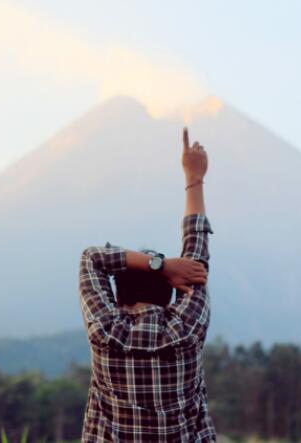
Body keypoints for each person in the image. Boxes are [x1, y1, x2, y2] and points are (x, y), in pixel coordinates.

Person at [78, 127, 216, 441]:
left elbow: (92, 257)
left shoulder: (106, 332)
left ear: (117, 295)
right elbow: (197, 257)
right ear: (171, 292)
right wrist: (194, 177)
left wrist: (161, 265)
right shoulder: (187, 328)